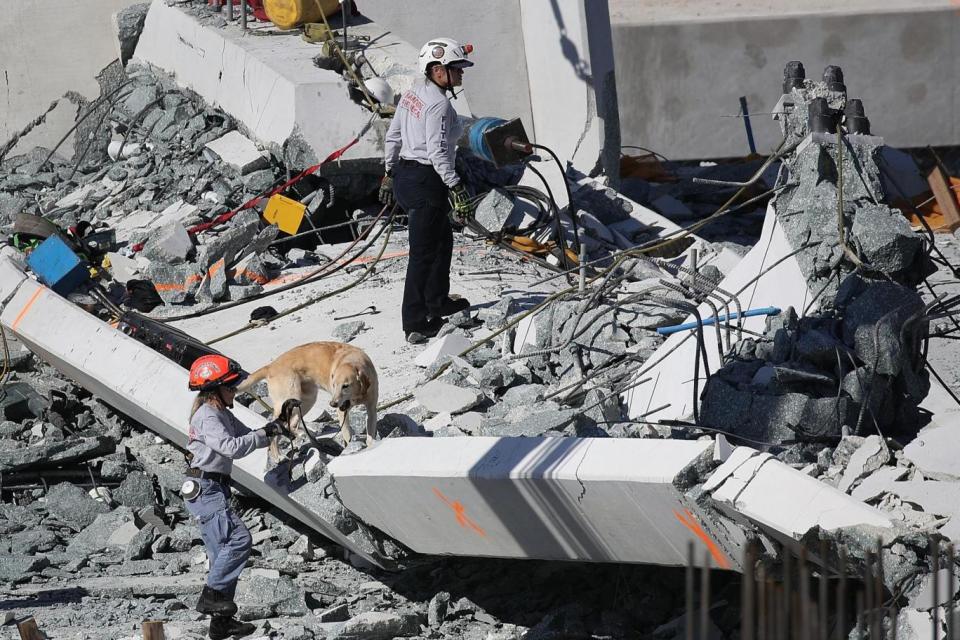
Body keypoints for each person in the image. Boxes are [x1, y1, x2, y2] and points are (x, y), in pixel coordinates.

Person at [380, 37, 478, 343]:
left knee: (442, 242)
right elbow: (437, 152)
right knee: (422, 254)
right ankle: (415, 322)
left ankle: (438, 300)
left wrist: (388, 171)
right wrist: (456, 185)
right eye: (456, 68)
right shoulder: (438, 105)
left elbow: (393, 135)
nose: (461, 74)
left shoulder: (413, 94)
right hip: (426, 181)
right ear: (438, 71)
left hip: (406, 178)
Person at [183, 354, 286, 640]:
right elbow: (231, 447)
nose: (235, 391)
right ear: (215, 389)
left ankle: (221, 624)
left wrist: (274, 428)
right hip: (205, 489)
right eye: (231, 387)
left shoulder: (222, 413)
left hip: (214, 488)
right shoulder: (207, 415)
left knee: (222, 557)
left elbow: (248, 435)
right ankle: (209, 597)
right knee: (239, 541)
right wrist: (263, 434)